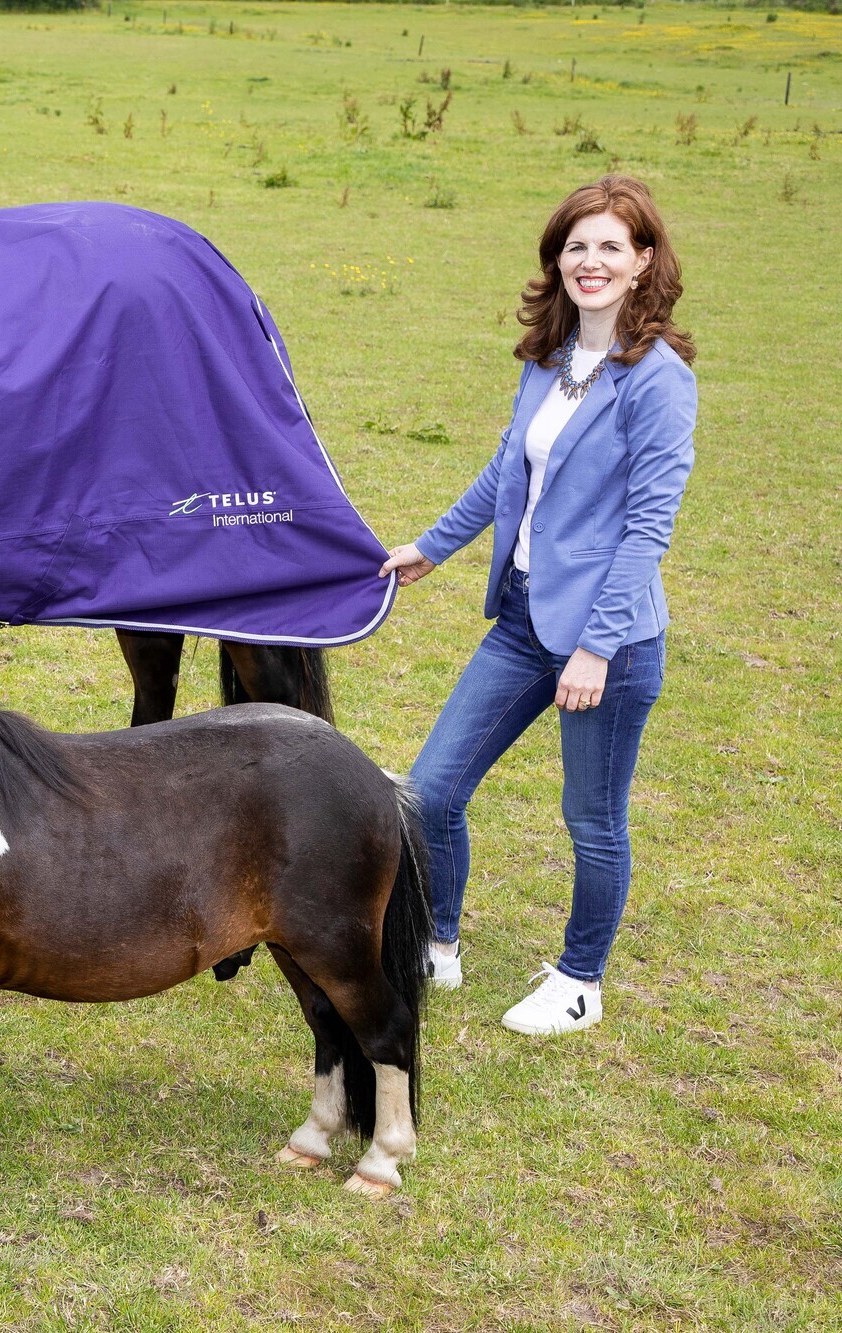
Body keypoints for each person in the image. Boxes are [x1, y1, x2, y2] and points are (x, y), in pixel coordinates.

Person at [380, 175, 696, 1036]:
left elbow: (648, 529)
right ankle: (438, 940)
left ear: (643, 262)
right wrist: (432, 546)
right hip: (524, 620)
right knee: (432, 791)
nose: (591, 261)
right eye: (576, 246)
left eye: (610, 247)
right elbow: (505, 470)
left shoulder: (658, 381)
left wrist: (596, 648)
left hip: (607, 639)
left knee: (591, 819)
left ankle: (580, 980)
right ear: (557, 261)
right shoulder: (550, 360)